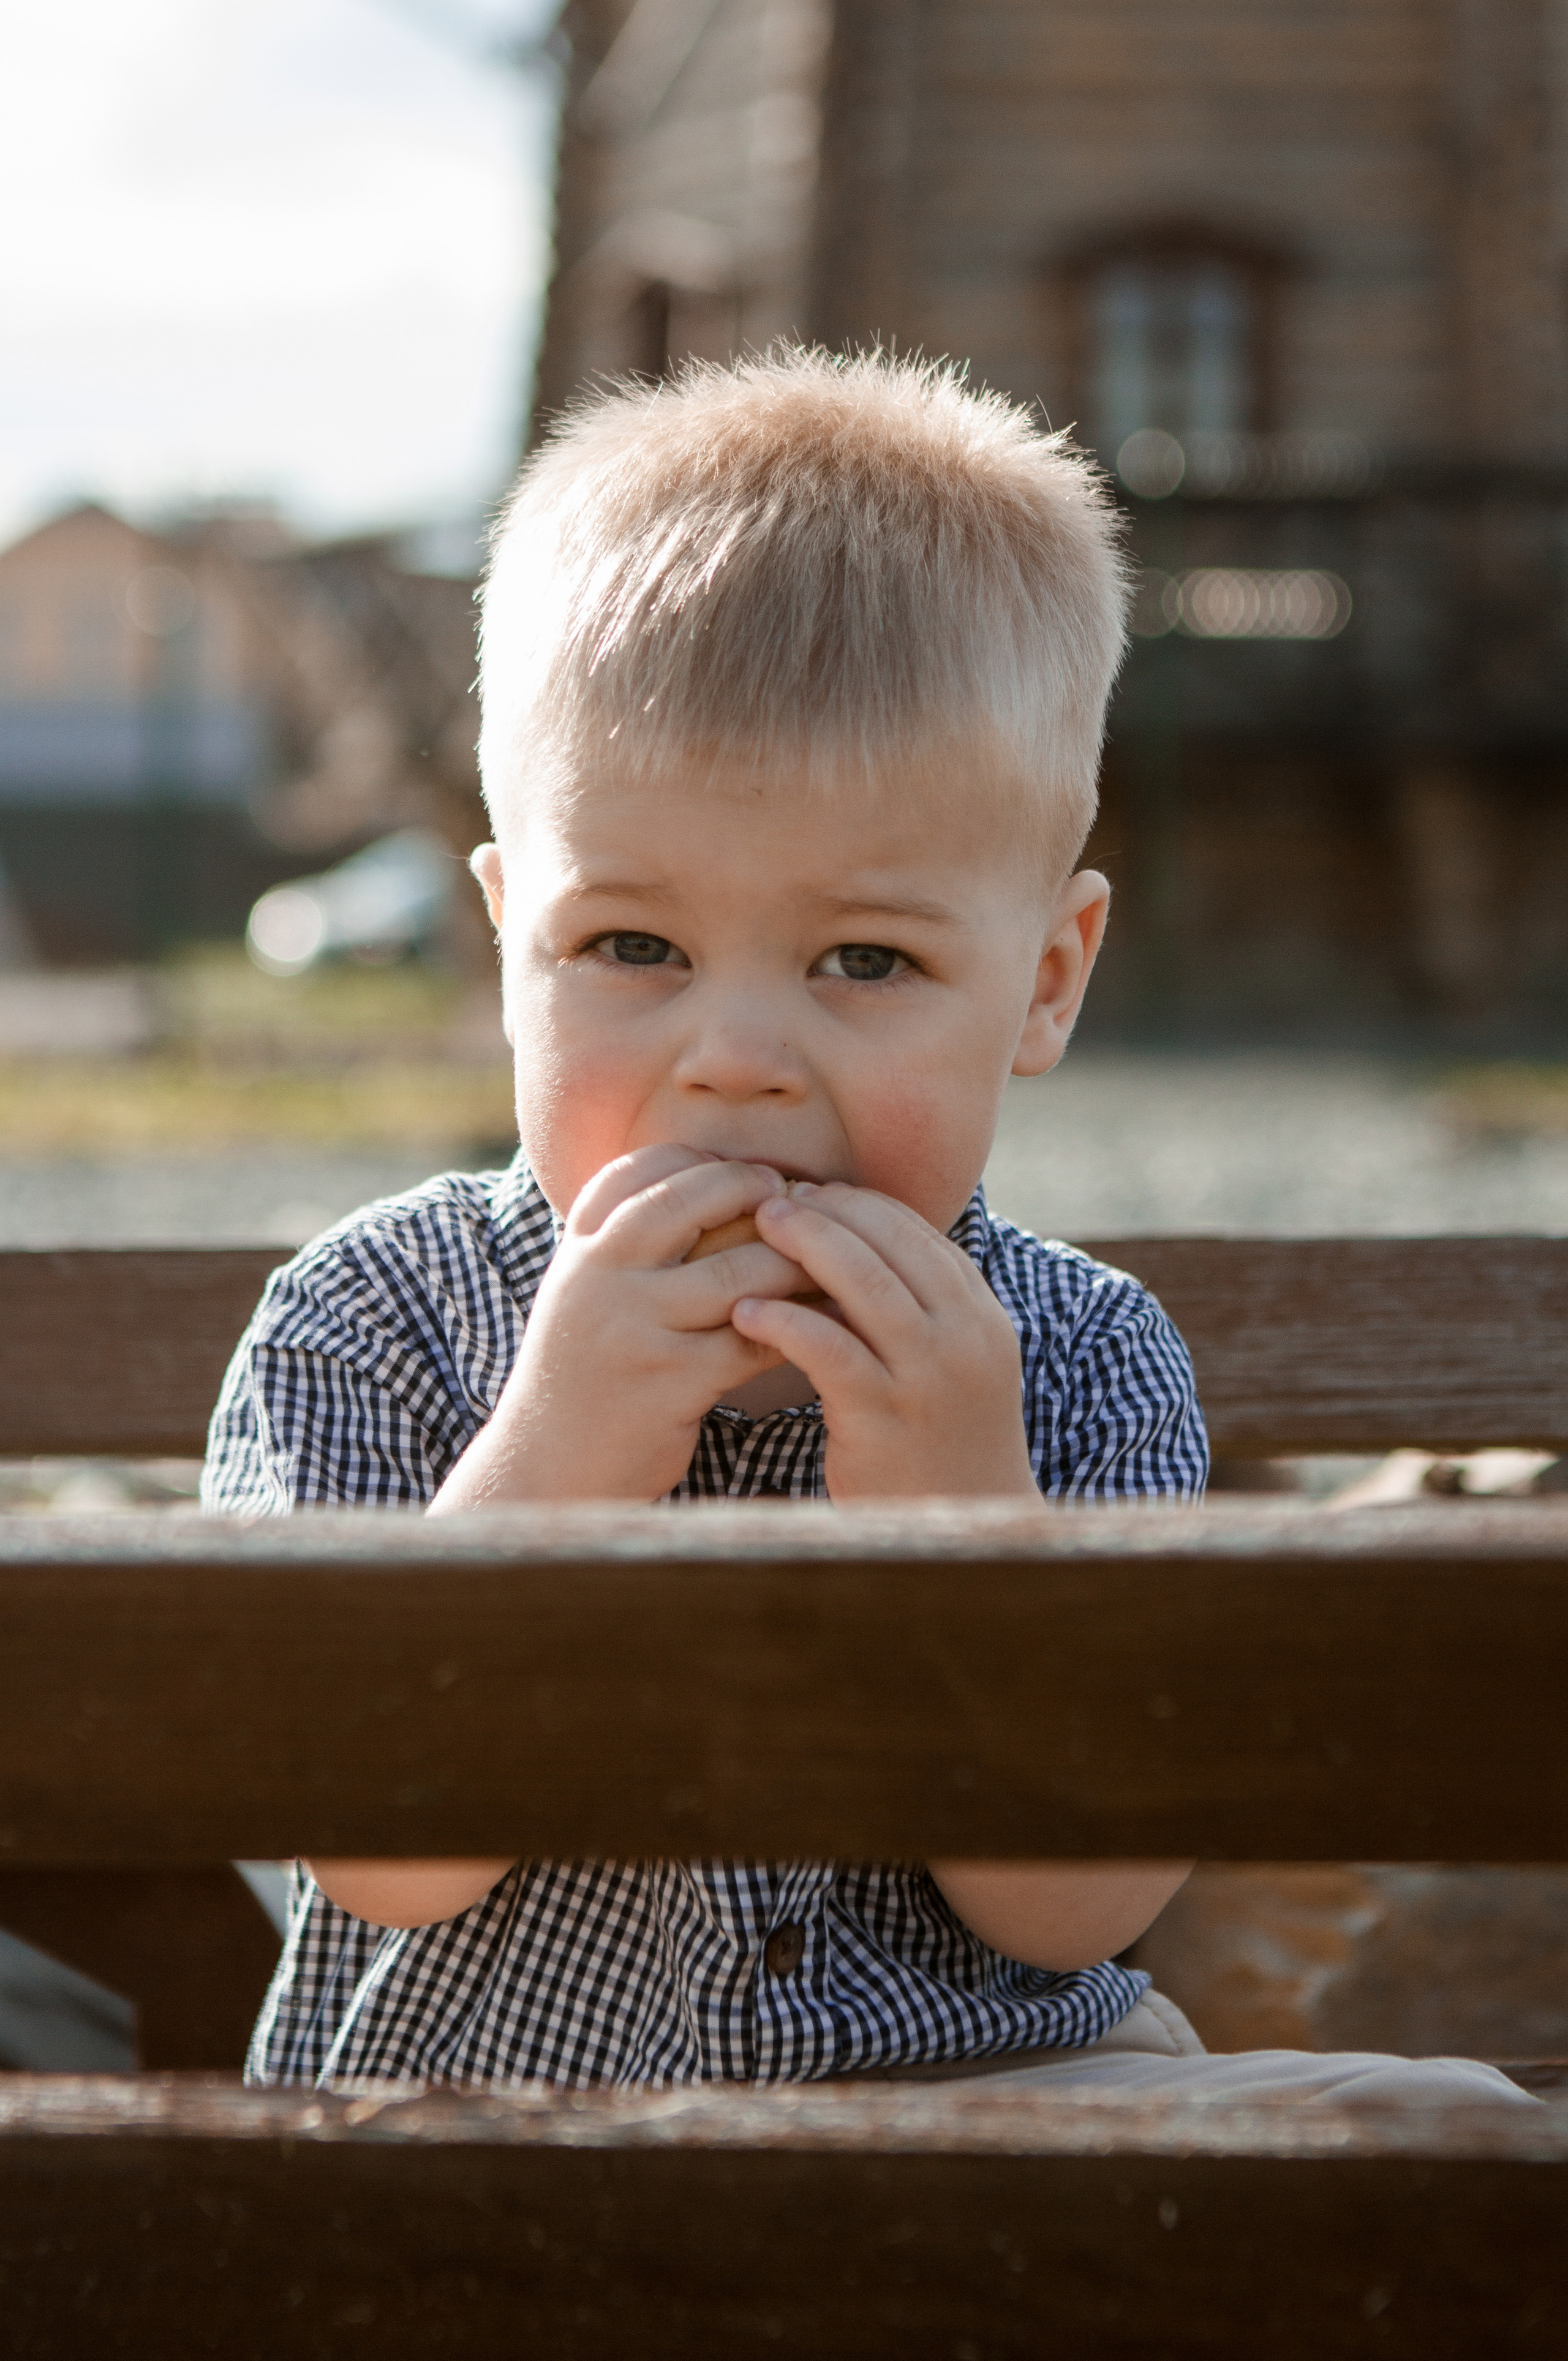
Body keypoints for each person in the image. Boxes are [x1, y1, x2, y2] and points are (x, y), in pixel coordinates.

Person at [205, 348, 1531, 2108]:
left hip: (984, 2117)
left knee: (1435, 2133)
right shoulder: (370, 1321)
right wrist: (553, 1462)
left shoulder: (1079, 1359)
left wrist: (970, 1518)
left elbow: (1078, 1916)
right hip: (500, 2153)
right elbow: (367, 1859)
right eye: (633, 949)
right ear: (507, 940)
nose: (736, 1064)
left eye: (865, 962)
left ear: (1044, 983)